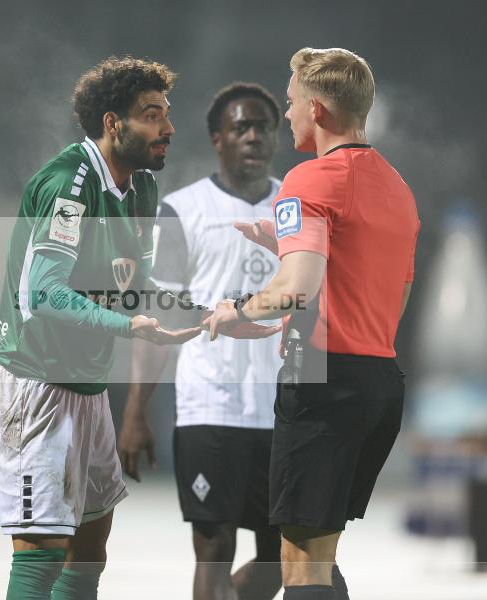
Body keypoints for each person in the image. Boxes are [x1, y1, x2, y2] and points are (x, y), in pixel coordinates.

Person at [206, 48, 420, 600]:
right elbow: (389, 293)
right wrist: (287, 253)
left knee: (301, 567)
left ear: (318, 109)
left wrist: (236, 310)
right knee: (316, 555)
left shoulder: (309, 179)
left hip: (323, 385)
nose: (287, 115)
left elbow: (294, 288)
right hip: (379, 384)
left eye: (292, 102)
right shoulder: (397, 187)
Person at [0, 56, 203, 600]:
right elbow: (42, 291)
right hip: (36, 384)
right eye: (152, 115)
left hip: (87, 387)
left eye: (166, 113)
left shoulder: (142, 189)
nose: (168, 127)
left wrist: (211, 312)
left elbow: (136, 283)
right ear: (113, 123)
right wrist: (127, 326)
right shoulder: (69, 184)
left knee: (89, 546)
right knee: (41, 551)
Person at [119, 82, 284, 600]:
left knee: (284, 559)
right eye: (241, 127)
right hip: (209, 410)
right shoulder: (182, 210)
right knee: (214, 550)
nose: (253, 136)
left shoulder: (297, 209)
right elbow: (158, 319)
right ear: (218, 139)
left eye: (263, 127)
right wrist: (136, 411)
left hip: (284, 413)